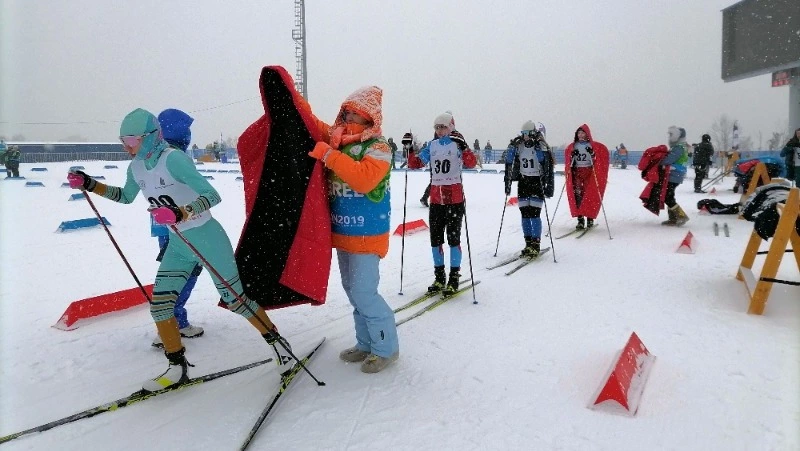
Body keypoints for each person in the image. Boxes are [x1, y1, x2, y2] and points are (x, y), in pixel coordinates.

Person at [67, 108, 289, 391]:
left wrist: (181, 212)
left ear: (149, 137)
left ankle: (279, 346)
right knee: (160, 306)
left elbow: (212, 195)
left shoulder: (174, 159)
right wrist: (90, 184)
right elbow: (125, 197)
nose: (127, 147)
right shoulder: (135, 167)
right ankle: (176, 367)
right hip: (179, 244)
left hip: (207, 237)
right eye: (123, 140)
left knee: (236, 300)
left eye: (132, 140)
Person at [306, 86, 399, 373]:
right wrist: (293, 98)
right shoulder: (340, 142)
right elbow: (315, 124)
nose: (347, 120)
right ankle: (365, 344)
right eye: (345, 113)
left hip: (368, 234)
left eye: (354, 116)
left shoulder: (379, 147)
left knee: (364, 292)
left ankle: (386, 348)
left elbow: (365, 180)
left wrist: (329, 157)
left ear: (370, 119)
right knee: (352, 291)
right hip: (343, 233)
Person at [149, 108, 204, 348]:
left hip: (166, 227)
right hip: (182, 226)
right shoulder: (174, 158)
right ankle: (171, 324)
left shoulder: (153, 156)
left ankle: (173, 321)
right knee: (184, 273)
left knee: (177, 274)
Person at [418, 112, 470, 295]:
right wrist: (408, 148)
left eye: (443, 127)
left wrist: (465, 148)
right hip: (436, 200)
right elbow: (416, 162)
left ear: (451, 127)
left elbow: (471, 163)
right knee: (435, 239)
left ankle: (454, 277)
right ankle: (439, 277)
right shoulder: (431, 146)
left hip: (454, 199)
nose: (440, 131)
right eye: (437, 127)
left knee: (453, 239)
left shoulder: (457, 144)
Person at [504, 120, 554, 257]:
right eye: (523, 133)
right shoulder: (519, 145)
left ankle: (536, 244)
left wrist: (539, 150)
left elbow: (546, 163)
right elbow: (509, 160)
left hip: (537, 182)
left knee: (535, 214)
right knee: (525, 213)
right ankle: (528, 243)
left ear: (533, 133)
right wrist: (511, 148)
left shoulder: (541, 145)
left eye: (527, 133)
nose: (525, 136)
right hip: (523, 181)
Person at [564, 124, 609, 230]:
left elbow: (596, 160)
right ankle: (580, 219)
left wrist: (592, 153)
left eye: (582, 133)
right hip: (577, 172)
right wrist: (572, 155)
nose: (580, 135)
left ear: (587, 134)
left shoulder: (592, 145)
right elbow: (569, 159)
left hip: (589, 171)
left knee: (589, 195)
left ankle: (589, 218)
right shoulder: (573, 145)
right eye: (579, 133)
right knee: (578, 195)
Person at [660, 126, 691, 225]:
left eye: (671, 134)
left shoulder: (679, 148)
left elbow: (669, 159)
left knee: (667, 197)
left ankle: (681, 216)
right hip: (675, 174)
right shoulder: (682, 146)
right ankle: (673, 218)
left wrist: (659, 161)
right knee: (669, 196)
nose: (669, 137)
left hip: (674, 174)